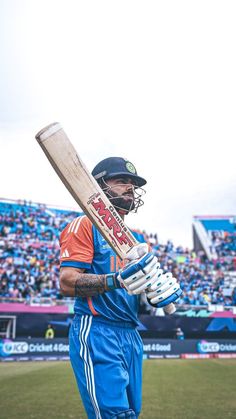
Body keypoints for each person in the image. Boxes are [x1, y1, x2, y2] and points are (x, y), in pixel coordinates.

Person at [59, 157, 182, 419]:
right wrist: (116, 280)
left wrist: (157, 292)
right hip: (97, 329)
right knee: (113, 416)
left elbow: (140, 288)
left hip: (130, 333)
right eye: (121, 181)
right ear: (99, 186)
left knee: (130, 414)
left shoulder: (136, 239)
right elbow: (67, 281)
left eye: (133, 184)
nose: (130, 188)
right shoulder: (85, 225)